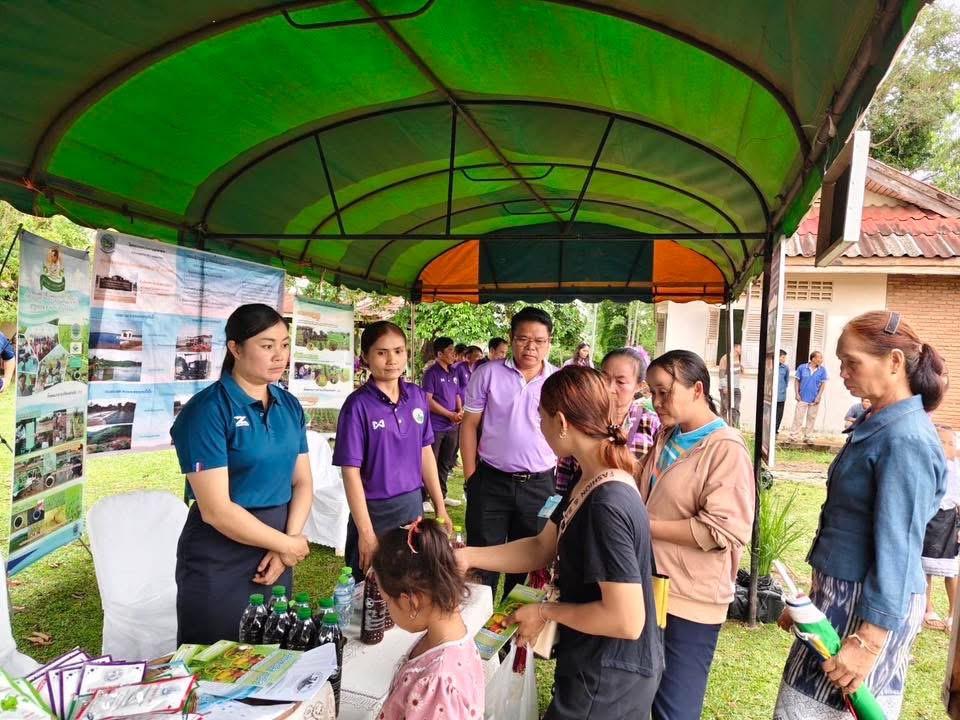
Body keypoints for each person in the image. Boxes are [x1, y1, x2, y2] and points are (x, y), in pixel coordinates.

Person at [457, 366, 663, 718]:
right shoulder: (588, 478)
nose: (539, 428)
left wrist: (544, 612)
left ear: (562, 422)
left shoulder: (607, 503)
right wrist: (468, 557)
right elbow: (541, 547)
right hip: (591, 661)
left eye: (541, 419)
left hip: (609, 677)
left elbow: (626, 620)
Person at [774, 311, 947, 720]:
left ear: (894, 362)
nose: (842, 372)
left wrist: (869, 640)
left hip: (867, 609)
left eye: (852, 362)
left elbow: (899, 546)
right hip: (840, 599)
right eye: (841, 362)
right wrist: (813, 604)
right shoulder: (879, 423)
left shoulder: (906, 438)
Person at [170, 304, 313, 644]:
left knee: (272, 649)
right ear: (235, 348)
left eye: (284, 344)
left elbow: (303, 481)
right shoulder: (207, 411)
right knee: (215, 658)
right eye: (267, 345)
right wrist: (287, 545)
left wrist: (287, 545)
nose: (279, 355)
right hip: (221, 555)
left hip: (276, 552)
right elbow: (216, 510)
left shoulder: (289, 405)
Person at [638, 350, 754, 720]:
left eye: (665, 392)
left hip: (691, 596)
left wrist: (645, 525)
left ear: (698, 389)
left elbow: (722, 529)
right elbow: (645, 485)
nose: (657, 402)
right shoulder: (668, 435)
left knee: (675, 706)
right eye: (652, 393)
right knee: (643, 695)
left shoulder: (725, 448)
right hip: (652, 584)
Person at [334, 322, 452, 582]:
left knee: (410, 582)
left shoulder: (417, 396)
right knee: (370, 587)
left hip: (412, 506)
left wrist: (440, 507)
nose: (391, 360)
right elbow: (350, 472)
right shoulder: (357, 406)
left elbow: (425, 452)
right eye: (381, 353)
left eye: (398, 351)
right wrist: (366, 534)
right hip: (374, 511)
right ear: (365, 357)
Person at [460, 306, 557, 598]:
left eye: (539, 341)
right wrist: (471, 477)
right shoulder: (487, 373)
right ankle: (478, 619)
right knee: (481, 560)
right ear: (511, 339)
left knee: (529, 564)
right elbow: (469, 425)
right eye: (523, 339)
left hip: (539, 485)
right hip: (491, 481)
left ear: (549, 342)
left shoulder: (557, 381)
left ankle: (512, 624)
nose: (530, 347)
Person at [375, 519, 484, 719]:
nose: (387, 609)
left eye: (386, 601)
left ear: (411, 602)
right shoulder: (444, 636)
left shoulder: (438, 684)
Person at [555, 348, 660, 496]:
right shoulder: (582, 418)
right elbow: (564, 477)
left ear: (639, 386)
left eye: (620, 382)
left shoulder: (652, 424)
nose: (610, 388)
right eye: (604, 378)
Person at [921, 426, 960, 633]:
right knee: (924, 566)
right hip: (929, 518)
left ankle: (954, 614)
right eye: (941, 442)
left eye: (950, 443)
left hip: (950, 519)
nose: (946, 447)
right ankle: (927, 609)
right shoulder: (927, 465)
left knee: (952, 570)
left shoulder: (958, 469)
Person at [420, 337, 463, 508]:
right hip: (436, 426)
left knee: (446, 462)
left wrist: (459, 410)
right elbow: (428, 400)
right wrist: (449, 414)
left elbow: (457, 394)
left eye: (454, 350)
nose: (454, 354)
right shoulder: (431, 373)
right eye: (450, 350)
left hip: (452, 425)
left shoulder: (453, 372)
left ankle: (441, 495)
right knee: (431, 462)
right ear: (439, 354)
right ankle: (425, 498)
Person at [789, 351, 828, 443]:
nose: (821, 360)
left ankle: (808, 437)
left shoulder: (822, 370)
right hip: (802, 397)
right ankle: (793, 436)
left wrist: (818, 396)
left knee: (811, 418)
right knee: (798, 418)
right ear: (813, 358)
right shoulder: (802, 367)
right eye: (819, 358)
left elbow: (823, 384)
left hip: (814, 399)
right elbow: (797, 381)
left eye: (821, 358)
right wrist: (797, 393)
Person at [717, 343, 742, 428]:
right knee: (724, 408)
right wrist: (724, 386)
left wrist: (741, 367)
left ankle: (735, 427)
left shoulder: (737, 358)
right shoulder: (725, 358)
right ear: (736, 348)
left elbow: (734, 369)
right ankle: (723, 428)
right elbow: (721, 373)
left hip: (736, 387)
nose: (742, 350)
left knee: (736, 408)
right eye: (740, 348)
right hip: (727, 387)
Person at [776, 349, 790, 433]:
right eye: (783, 357)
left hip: (781, 395)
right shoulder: (771, 366)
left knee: (779, 414)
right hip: (771, 396)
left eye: (784, 358)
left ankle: (776, 429)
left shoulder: (785, 368)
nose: (784, 359)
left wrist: (782, 389)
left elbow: (786, 380)